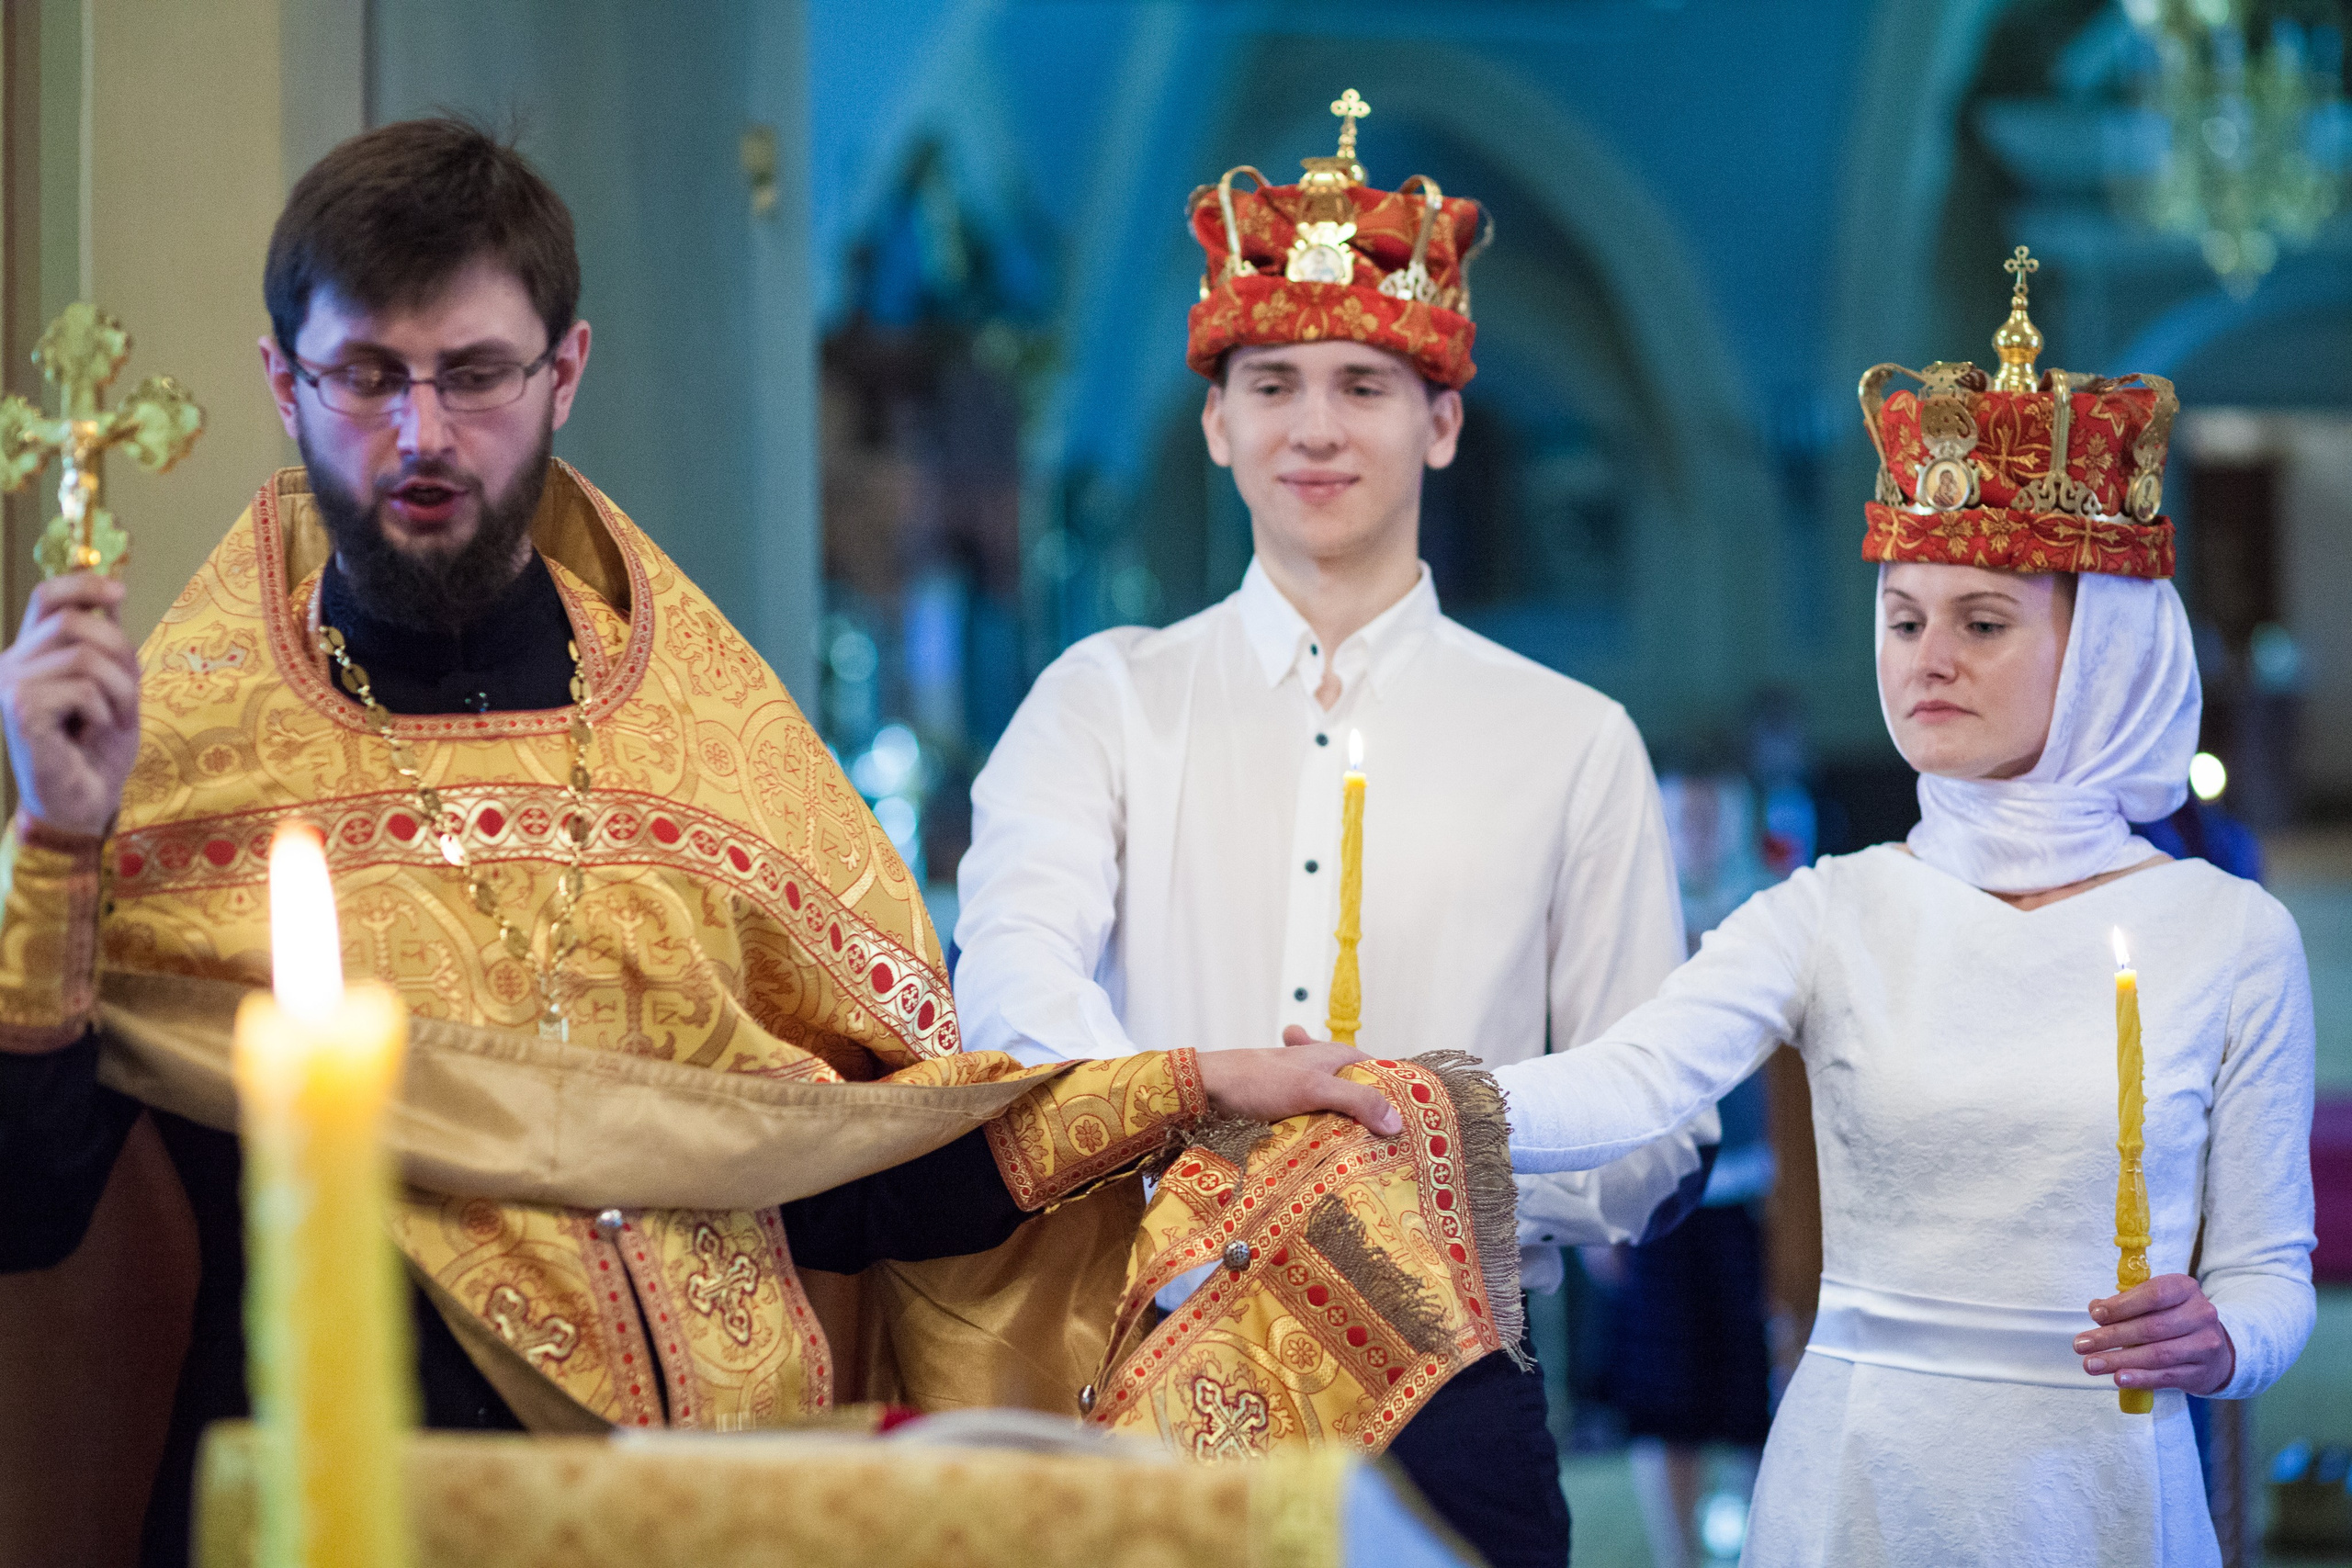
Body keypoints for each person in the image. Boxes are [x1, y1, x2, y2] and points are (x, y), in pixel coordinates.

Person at [0, 119, 1487, 1568]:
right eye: (368, 378)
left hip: (713, 1516)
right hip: (350, 1506)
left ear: (565, 371)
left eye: (476, 374)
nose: (424, 433)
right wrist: (60, 846)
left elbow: (853, 1165)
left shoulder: (711, 751)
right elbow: (33, 1204)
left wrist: (1192, 1082)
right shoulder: (168, 765)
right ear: (284, 380)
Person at [954, 91, 1713, 1568]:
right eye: (1276, 380)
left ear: (1441, 423)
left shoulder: (1572, 741)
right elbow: (1014, 994)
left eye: (1366, 384)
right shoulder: (1101, 701)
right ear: (1217, 420)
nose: (1316, 426)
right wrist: (1203, 1150)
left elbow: (1653, 1115)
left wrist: (1411, 1182)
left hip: (1455, 1376)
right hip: (1155, 1345)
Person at [1456, 263, 2318, 1564]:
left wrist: (2228, 1337)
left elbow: (2272, 1273)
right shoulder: (1834, 909)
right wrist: (1406, 1098)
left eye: (1982, 621)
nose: (1928, 657)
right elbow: (1627, 1083)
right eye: (1903, 617)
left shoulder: (2229, 935)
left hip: (2101, 1486)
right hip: (1860, 1479)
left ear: (2103, 654)